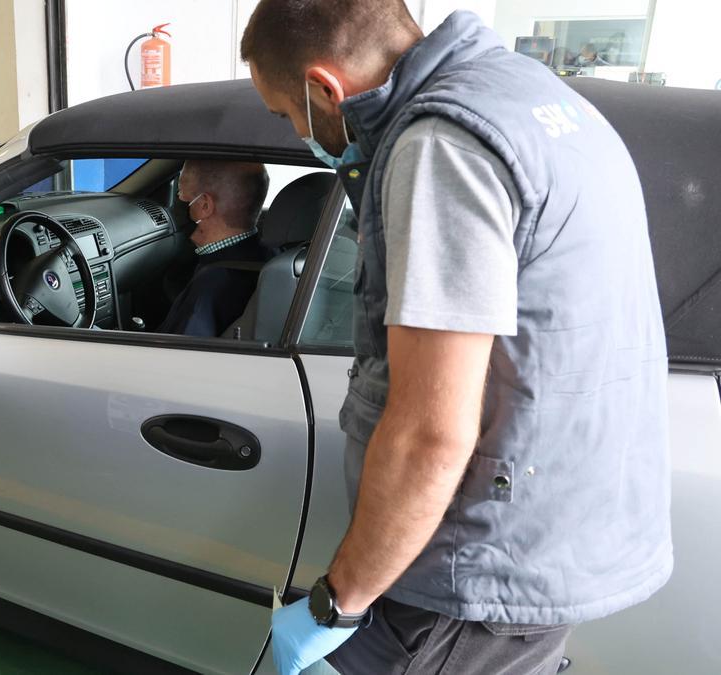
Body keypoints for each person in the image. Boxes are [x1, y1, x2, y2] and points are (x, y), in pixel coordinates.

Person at [240, 2, 670, 674]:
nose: (298, 131)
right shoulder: (534, 95)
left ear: (324, 87)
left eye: (286, 113)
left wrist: (336, 603)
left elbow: (430, 433)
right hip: (544, 534)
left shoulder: (440, 148)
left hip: (467, 576)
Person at [158, 160, 270, 337]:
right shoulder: (271, 259)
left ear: (204, 206)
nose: (177, 199)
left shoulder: (208, 290)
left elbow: (169, 359)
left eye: (180, 192)